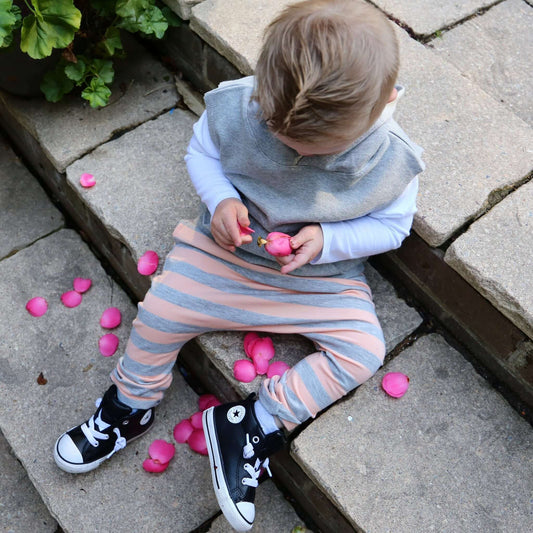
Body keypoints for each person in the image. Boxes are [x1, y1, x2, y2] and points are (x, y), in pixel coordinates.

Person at [53, 0, 424, 530]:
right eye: (280, 136)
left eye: (315, 148)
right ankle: (131, 401)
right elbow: (201, 155)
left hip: (318, 279)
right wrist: (222, 198)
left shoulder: (393, 162)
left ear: (384, 103)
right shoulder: (239, 107)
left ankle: (252, 422)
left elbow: (393, 227)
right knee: (160, 311)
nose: (295, 153)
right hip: (226, 254)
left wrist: (329, 238)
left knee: (364, 351)